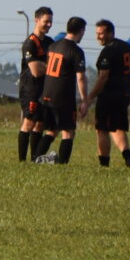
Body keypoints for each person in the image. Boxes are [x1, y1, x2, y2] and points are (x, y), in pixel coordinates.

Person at [89, 19, 130, 167]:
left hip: (108, 95)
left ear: (111, 33)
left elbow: (103, 78)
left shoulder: (107, 52)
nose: (98, 37)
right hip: (124, 94)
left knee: (102, 129)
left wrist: (90, 97)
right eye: (97, 33)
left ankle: (104, 164)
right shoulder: (125, 46)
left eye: (101, 33)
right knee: (117, 127)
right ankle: (127, 156)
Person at [38, 16, 88, 163]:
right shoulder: (76, 51)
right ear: (81, 31)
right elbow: (80, 77)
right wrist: (84, 100)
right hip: (63, 96)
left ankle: (36, 158)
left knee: (51, 130)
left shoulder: (53, 46)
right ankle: (62, 164)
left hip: (47, 94)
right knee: (68, 132)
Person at [18, 7, 53, 162]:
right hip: (30, 89)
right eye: (46, 21)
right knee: (29, 122)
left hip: (44, 88)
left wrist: (45, 66)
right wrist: (51, 67)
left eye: (50, 21)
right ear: (37, 20)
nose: (49, 24)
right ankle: (22, 161)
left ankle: (35, 159)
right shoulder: (30, 43)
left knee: (40, 124)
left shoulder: (50, 43)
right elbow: (36, 71)